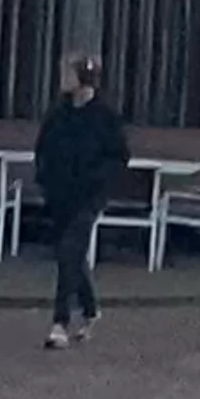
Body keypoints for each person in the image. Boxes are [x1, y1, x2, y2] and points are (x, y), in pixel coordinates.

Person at [33, 54, 137, 343]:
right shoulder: (58, 112)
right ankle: (90, 310)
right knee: (72, 256)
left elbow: (119, 155)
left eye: (69, 73)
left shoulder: (105, 115)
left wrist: (99, 180)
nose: (63, 79)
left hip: (89, 196)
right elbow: (43, 146)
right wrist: (44, 178)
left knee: (69, 250)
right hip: (60, 194)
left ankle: (60, 322)